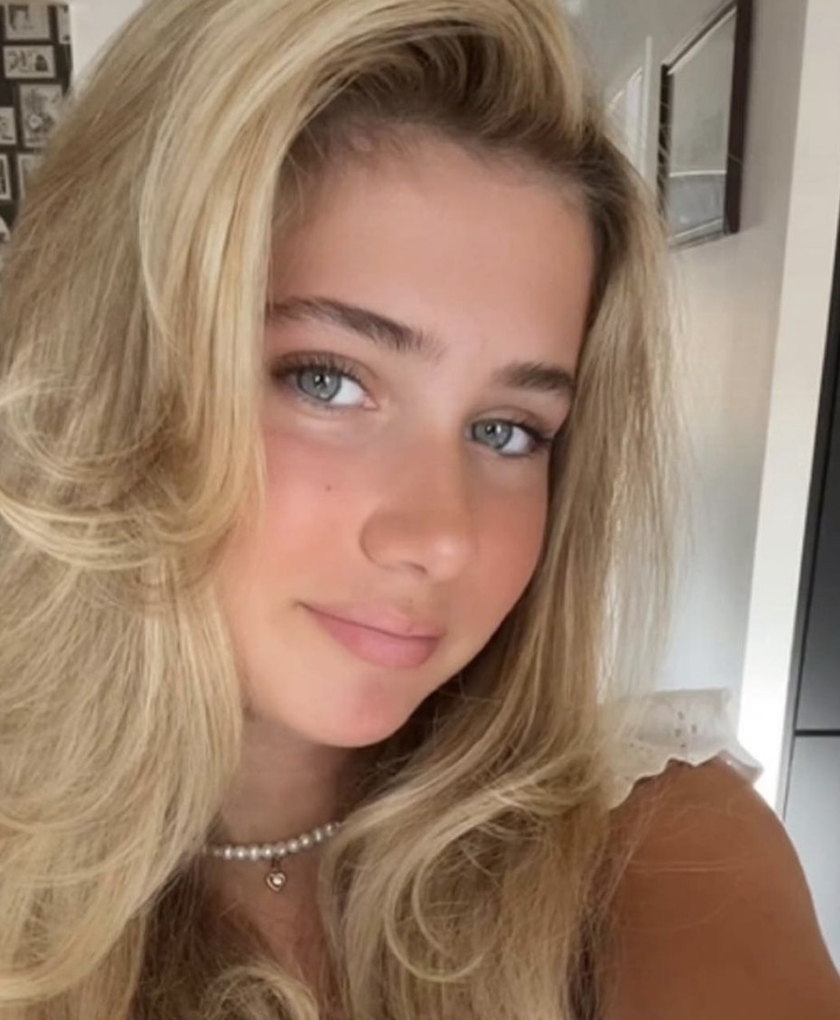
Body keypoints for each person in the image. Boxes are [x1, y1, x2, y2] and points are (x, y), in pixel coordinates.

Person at [0, 0, 838, 1018]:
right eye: (326, 380)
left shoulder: (651, 843)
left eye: (508, 431)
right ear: (116, 375)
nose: (442, 536)